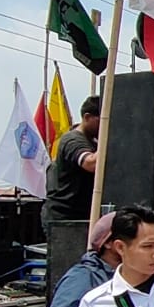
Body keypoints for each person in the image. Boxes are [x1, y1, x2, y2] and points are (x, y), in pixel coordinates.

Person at [43, 96, 100, 227]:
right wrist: (111, 135)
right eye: (101, 121)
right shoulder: (72, 140)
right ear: (87, 117)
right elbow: (91, 164)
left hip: (81, 214)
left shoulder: (93, 141)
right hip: (64, 217)